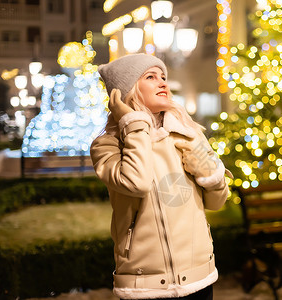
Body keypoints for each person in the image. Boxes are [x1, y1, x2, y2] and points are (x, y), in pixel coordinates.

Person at [91, 54, 230, 300]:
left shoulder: (187, 134)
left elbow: (217, 202)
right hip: (144, 285)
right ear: (127, 90)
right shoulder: (108, 146)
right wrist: (133, 123)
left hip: (198, 278)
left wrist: (210, 172)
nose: (163, 83)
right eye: (151, 77)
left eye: (164, 76)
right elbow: (137, 182)